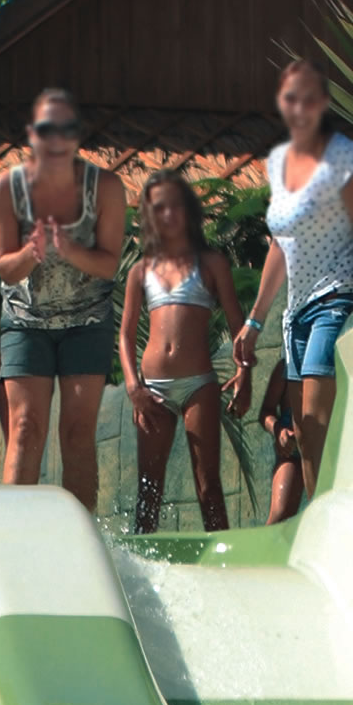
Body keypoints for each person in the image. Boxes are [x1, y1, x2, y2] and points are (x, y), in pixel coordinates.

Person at [236, 59, 353, 520]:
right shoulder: (279, 163)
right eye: (289, 97)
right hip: (294, 314)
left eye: (307, 97)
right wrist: (254, 321)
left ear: (322, 103)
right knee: (303, 435)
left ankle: (335, 521)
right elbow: (280, 245)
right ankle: (322, 523)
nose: (298, 106)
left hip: (334, 302)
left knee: (317, 423)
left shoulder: (343, 159)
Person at [0, 84, 126, 508]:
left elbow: (109, 265)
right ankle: (15, 530)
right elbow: (3, 266)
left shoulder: (105, 187)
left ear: (78, 135)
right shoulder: (6, 189)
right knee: (26, 427)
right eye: (48, 129)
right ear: (32, 134)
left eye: (67, 129)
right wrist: (31, 252)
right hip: (26, 320)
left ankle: (79, 532)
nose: (57, 138)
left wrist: (68, 248)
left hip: (87, 320)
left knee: (77, 433)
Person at [120, 170, 248, 535]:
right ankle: (140, 561)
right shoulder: (141, 270)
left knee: (208, 485)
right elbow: (125, 335)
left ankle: (223, 558)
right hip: (152, 389)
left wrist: (245, 374)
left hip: (198, 384)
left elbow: (238, 325)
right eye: (159, 207)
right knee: (149, 489)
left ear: (189, 209)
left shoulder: (211, 263)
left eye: (175, 205)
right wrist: (133, 387)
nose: (168, 214)